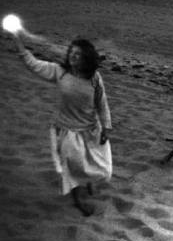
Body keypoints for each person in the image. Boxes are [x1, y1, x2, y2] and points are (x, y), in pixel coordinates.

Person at [11, 32, 112, 216]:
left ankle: (87, 182)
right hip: (66, 130)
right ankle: (77, 199)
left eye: (78, 54)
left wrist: (106, 126)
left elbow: (101, 103)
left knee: (103, 169)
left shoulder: (94, 78)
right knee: (73, 166)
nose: (73, 56)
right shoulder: (60, 72)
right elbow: (33, 63)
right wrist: (17, 40)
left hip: (91, 129)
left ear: (87, 58)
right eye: (71, 52)